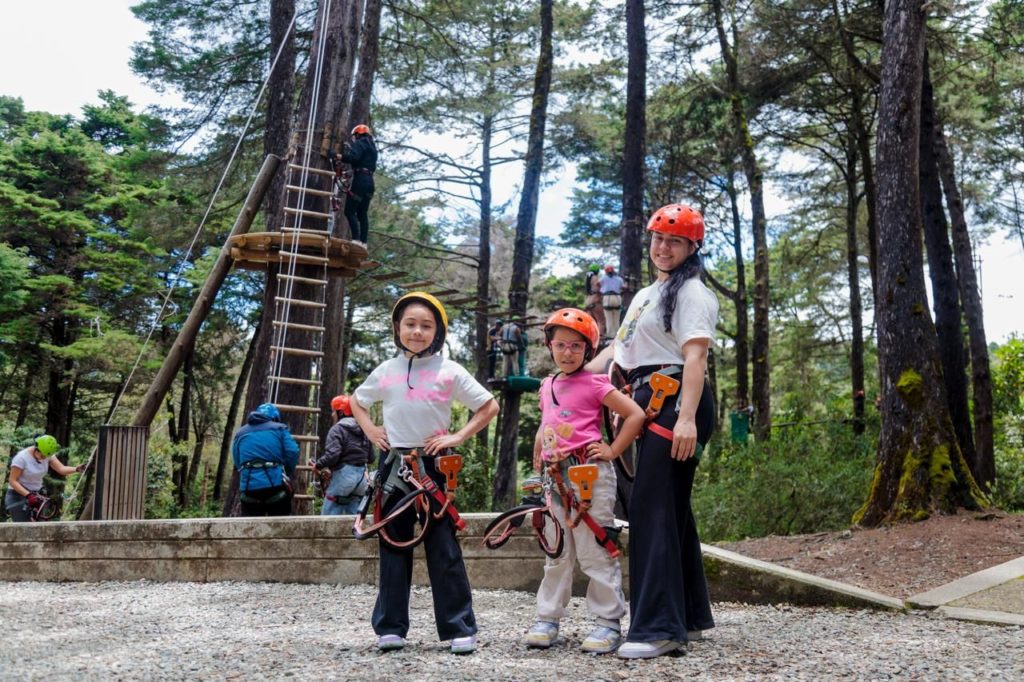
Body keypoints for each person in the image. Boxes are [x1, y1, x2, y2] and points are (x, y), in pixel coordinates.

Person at [586, 203, 719, 659]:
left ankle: (659, 629)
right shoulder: (648, 293)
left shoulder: (693, 294)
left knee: (651, 507)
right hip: (649, 397)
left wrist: (686, 417)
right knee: (670, 507)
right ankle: (689, 616)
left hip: (676, 398)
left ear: (691, 247)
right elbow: (617, 352)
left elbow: (696, 358)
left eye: (674, 241)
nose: (663, 247)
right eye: (658, 239)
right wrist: (572, 379)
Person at [351, 291, 499, 655]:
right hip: (394, 463)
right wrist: (371, 430)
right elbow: (357, 400)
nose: (417, 332)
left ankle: (459, 627)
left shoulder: (449, 371)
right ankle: (390, 627)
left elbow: (489, 406)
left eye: (426, 326)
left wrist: (458, 436)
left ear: (438, 332)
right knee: (392, 542)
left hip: (434, 464)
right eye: (410, 324)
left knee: (442, 545)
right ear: (398, 328)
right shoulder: (386, 370)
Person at [524, 309, 645, 654]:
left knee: (595, 550)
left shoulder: (595, 383)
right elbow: (548, 420)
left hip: (589, 475)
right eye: (561, 345)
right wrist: (539, 446)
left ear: (588, 350)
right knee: (557, 550)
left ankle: (608, 622)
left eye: (576, 346)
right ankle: (547, 618)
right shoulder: (547, 385)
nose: (567, 352)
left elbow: (635, 414)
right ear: (549, 346)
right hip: (555, 478)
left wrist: (613, 450)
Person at [232, 403, 300, 517]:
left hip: (249, 489)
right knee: (280, 521)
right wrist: (287, 470)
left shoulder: (240, 433)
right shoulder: (280, 429)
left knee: (252, 524)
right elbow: (292, 451)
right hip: (275, 487)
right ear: (275, 418)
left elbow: (237, 459)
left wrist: (247, 471)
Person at [314, 394, 373, 515]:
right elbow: (371, 457)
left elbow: (333, 456)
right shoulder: (364, 430)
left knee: (328, 517)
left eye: (334, 411)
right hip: (361, 479)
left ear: (341, 413)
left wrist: (318, 465)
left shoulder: (337, 429)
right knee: (355, 517)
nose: (332, 415)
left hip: (344, 477)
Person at [5, 435, 83, 522]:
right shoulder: (21, 458)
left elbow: (61, 469)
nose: (44, 458)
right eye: (42, 456)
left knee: (41, 525)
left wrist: (76, 469)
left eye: (46, 456)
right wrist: (28, 495)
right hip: (17, 496)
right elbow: (13, 481)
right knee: (24, 526)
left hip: (36, 496)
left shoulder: (47, 454)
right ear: (36, 449)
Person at [341, 123, 377, 246]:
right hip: (370, 183)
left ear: (357, 134)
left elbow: (354, 158)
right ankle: (364, 243)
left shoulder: (360, 143)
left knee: (349, 211)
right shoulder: (372, 147)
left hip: (360, 181)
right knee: (362, 213)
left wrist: (338, 156)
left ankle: (356, 240)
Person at [599, 264, 624, 340]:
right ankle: (617, 335)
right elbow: (623, 287)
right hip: (617, 297)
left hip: (607, 298)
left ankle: (610, 335)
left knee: (608, 318)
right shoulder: (619, 279)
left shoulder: (603, 278)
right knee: (617, 317)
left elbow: (597, 284)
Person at [584, 264, 606, 335]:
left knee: (590, 321)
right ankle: (600, 337)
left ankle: (588, 335)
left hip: (588, 301)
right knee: (601, 321)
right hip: (595, 300)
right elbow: (597, 289)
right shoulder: (595, 277)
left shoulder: (587, 277)